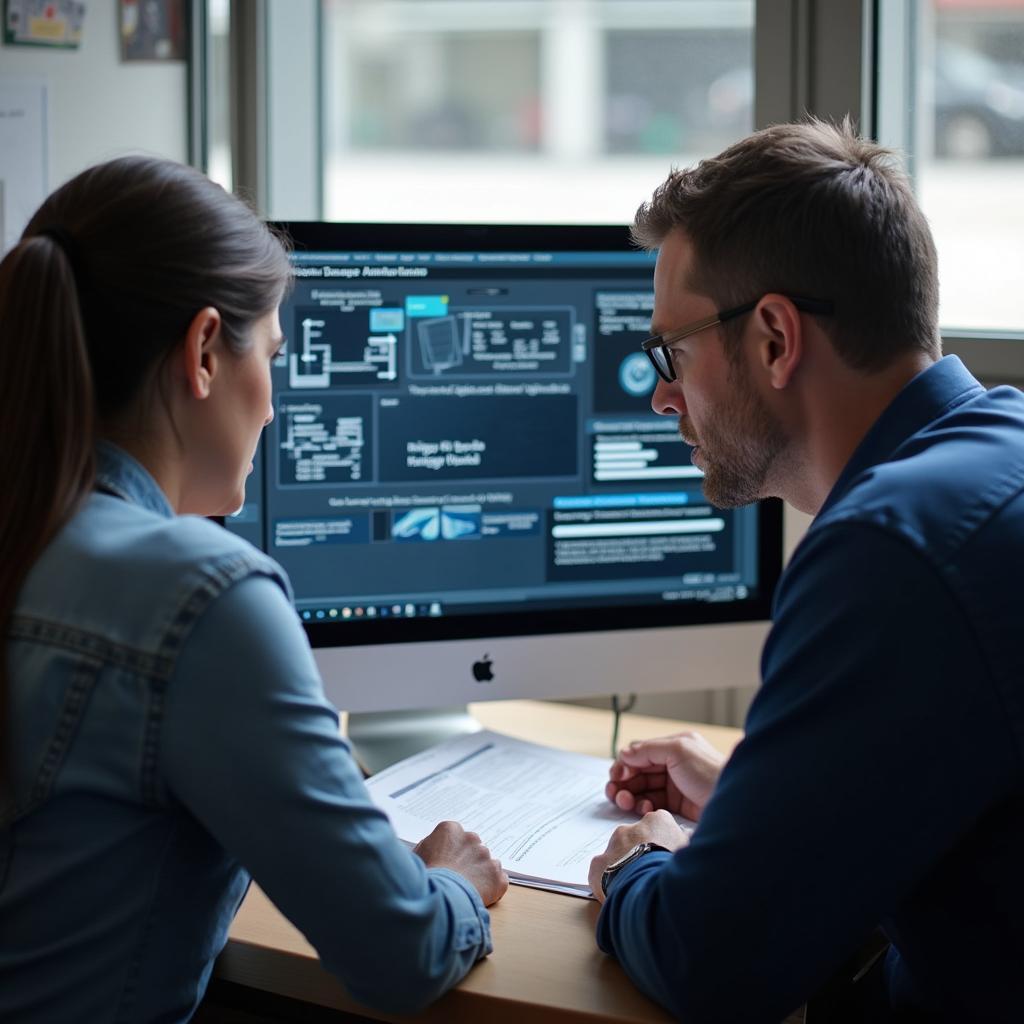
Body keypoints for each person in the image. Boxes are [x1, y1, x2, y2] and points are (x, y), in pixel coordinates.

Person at [0, 156, 507, 1023]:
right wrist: (449, 880)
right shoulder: (199, 594)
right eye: (271, 354)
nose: (273, 405)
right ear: (203, 351)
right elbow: (402, 954)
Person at [587, 117, 1024, 1023]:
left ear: (776, 339)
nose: (665, 394)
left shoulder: (889, 548)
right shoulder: (1001, 451)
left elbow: (710, 962)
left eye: (671, 350)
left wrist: (640, 865)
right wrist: (761, 796)